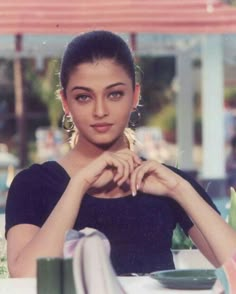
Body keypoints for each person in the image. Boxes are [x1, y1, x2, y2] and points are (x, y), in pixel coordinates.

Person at [5, 30, 236, 278]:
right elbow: (26, 278)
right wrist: (78, 186)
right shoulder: (33, 184)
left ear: (135, 95)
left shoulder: (166, 182)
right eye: (84, 97)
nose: (100, 111)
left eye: (114, 94)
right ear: (65, 102)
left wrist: (180, 190)